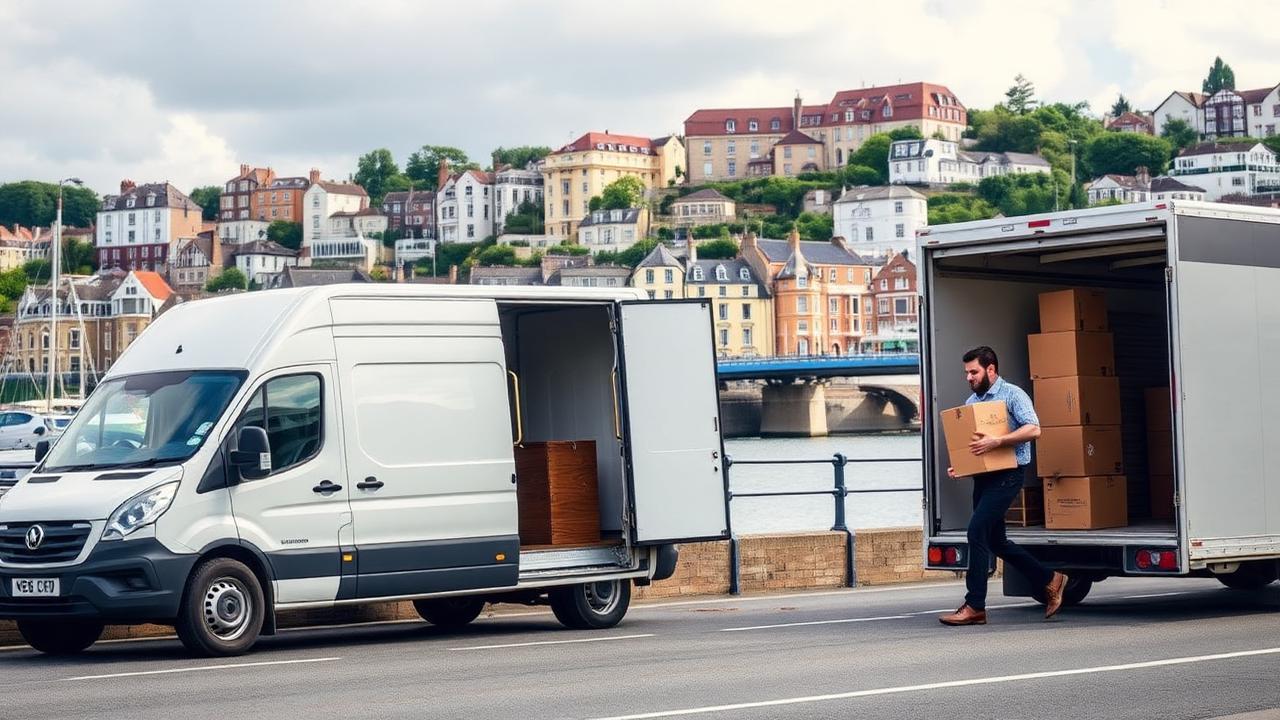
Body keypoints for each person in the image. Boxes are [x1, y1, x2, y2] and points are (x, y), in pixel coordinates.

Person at [939, 346, 1067, 626]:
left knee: (976, 531)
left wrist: (998, 440)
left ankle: (975, 606)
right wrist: (960, 467)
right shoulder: (971, 401)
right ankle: (1051, 579)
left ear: (991, 370)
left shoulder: (1013, 394)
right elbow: (973, 446)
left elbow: (1034, 428)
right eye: (967, 373)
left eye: (974, 372)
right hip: (983, 478)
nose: (969, 377)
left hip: (1008, 475)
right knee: (996, 541)